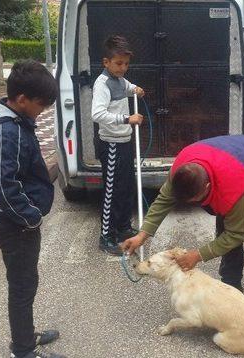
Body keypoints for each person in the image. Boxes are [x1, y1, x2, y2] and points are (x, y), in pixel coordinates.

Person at [121, 135, 244, 314]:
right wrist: (142, 235)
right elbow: (164, 200)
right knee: (225, 228)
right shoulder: (181, 170)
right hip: (240, 164)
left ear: (208, 186)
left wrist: (198, 255)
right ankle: (231, 287)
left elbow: (236, 234)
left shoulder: (231, 183)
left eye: (196, 200)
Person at [0, 60, 65, 358]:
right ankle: (24, 351)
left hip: (16, 219)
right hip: (14, 223)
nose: (43, 110)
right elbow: (4, 184)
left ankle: (25, 334)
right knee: (23, 286)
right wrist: (31, 217)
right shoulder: (7, 131)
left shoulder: (13, 117)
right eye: (41, 105)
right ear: (22, 99)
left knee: (25, 283)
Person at [91, 35, 145, 255]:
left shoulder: (120, 80)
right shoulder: (102, 84)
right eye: (119, 64)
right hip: (111, 144)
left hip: (124, 141)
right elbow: (97, 114)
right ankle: (106, 236)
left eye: (126, 64)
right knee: (112, 191)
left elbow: (127, 86)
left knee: (125, 188)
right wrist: (126, 119)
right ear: (106, 62)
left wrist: (135, 89)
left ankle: (123, 228)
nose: (123, 68)